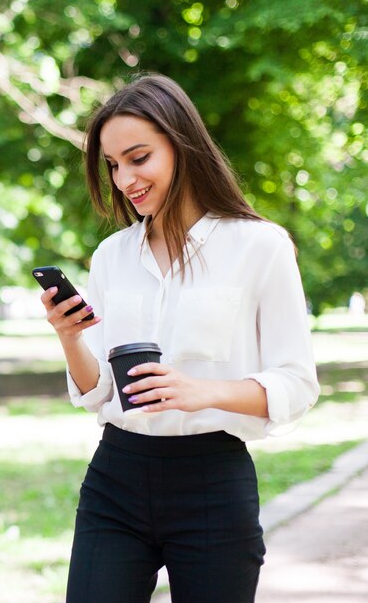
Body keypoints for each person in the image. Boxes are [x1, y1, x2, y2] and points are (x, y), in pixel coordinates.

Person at [40, 73, 320, 603]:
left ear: (182, 144)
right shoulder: (112, 256)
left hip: (213, 481)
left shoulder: (260, 246)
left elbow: (297, 383)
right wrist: (69, 337)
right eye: (113, 165)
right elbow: (98, 390)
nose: (124, 179)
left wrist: (203, 391)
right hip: (115, 476)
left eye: (138, 158)